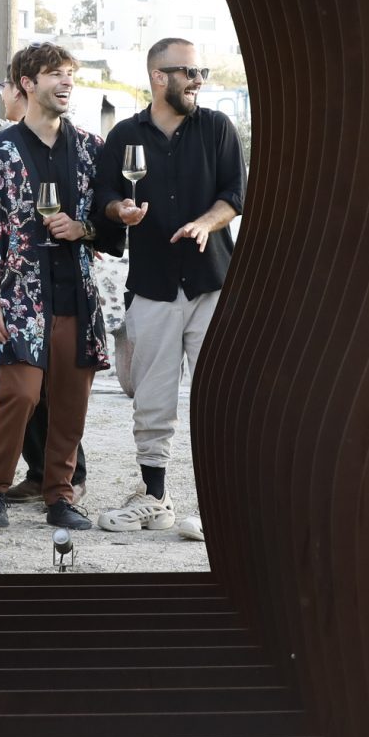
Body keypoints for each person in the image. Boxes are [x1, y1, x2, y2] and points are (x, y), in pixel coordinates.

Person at [0, 41, 112, 532]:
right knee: (20, 394)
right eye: (55, 73)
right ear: (28, 83)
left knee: (71, 400)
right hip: (20, 295)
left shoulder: (92, 148)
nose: (67, 81)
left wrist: (82, 228)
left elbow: (110, 229)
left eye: (70, 73)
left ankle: (60, 496)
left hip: (77, 294)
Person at [97, 37, 240, 537]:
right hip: (154, 285)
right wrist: (123, 211)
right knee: (152, 403)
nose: (200, 80)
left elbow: (233, 195)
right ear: (160, 77)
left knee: (215, 399)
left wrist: (206, 223)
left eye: (201, 72)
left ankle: (222, 506)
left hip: (211, 285)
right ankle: (155, 501)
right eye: (190, 72)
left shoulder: (218, 128)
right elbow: (106, 199)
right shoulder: (123, 136)